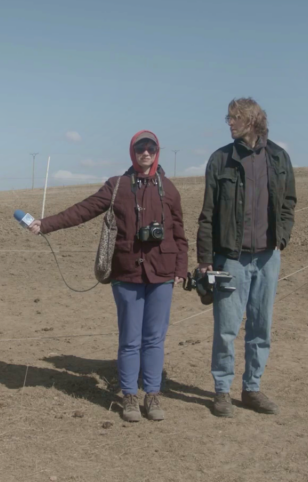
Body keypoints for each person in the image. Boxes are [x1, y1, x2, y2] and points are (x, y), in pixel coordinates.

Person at [28, 131, 189, 422]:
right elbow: (83, 210)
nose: (146, 153)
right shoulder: (117, 186)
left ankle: (152, 396)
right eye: (140, 148)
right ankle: (129, 396)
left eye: (151, 148)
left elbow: (179, 233)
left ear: (157, 152)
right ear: (132, 152)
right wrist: (46, 224)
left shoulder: (169, 188)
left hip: (162, 274)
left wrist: (180, 269)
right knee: (130, 338)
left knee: (154, 338)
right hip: (126, 272)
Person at [195, 98, 297, 418]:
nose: (229, 123)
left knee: (260, 327)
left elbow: (288, 202)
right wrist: (205, 259)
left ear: (253, 120)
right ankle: (222, 392)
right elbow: (208, 213)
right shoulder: (220, 160)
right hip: (231, 259)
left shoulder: (278, 158)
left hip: (268, 258)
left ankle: (252, 389)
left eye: (235, 118)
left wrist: (282, 237)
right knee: (226, 329)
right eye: (229, 118)